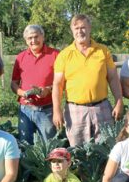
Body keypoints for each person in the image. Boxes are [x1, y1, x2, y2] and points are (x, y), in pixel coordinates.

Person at [52, 14, 124, 146]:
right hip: (75, 110)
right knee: (77, 151)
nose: (80, 31)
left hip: (101, 107)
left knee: (106, 148)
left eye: (83, 27)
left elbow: (113, 78)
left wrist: (119, 101)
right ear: (72, 31)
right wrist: (56, 110)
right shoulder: (64, 55)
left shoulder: (103, 51)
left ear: (90, 28)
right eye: (76, 28)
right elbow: (57, 85)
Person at [11, 25, 59, 144]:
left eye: (36, 36)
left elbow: (64, 81)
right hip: (25, 109)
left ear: (43, 37)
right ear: (26, 40)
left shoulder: (55, 55)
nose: (33, 41)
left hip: (47, 109)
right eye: (30, 38)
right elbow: (13, 83)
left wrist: (48, 89)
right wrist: (22, 93)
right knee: (25, 145)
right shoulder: (21, 57)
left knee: (49, 144)